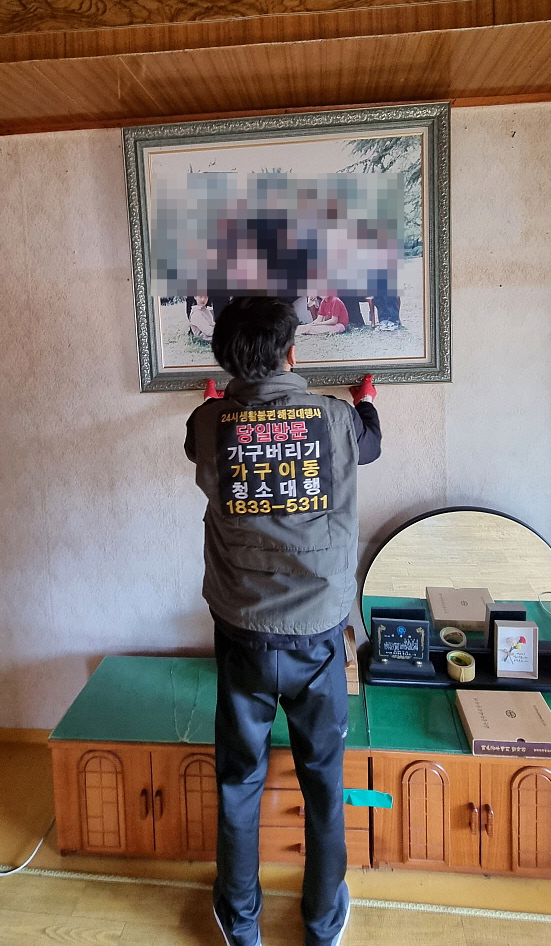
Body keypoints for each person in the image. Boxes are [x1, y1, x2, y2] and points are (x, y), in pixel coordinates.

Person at [184, 297, 381, 946]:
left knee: (239, 778)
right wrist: (366, 399)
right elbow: (372, 443)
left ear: (223, 360)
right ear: (293, 354)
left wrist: (219, 404)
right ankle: (322, 923)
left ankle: (241, 923)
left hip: (242, 632)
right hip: (318, 635)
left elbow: (199, 438)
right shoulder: (337, 419)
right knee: (323, 779)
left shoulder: (209, 423)